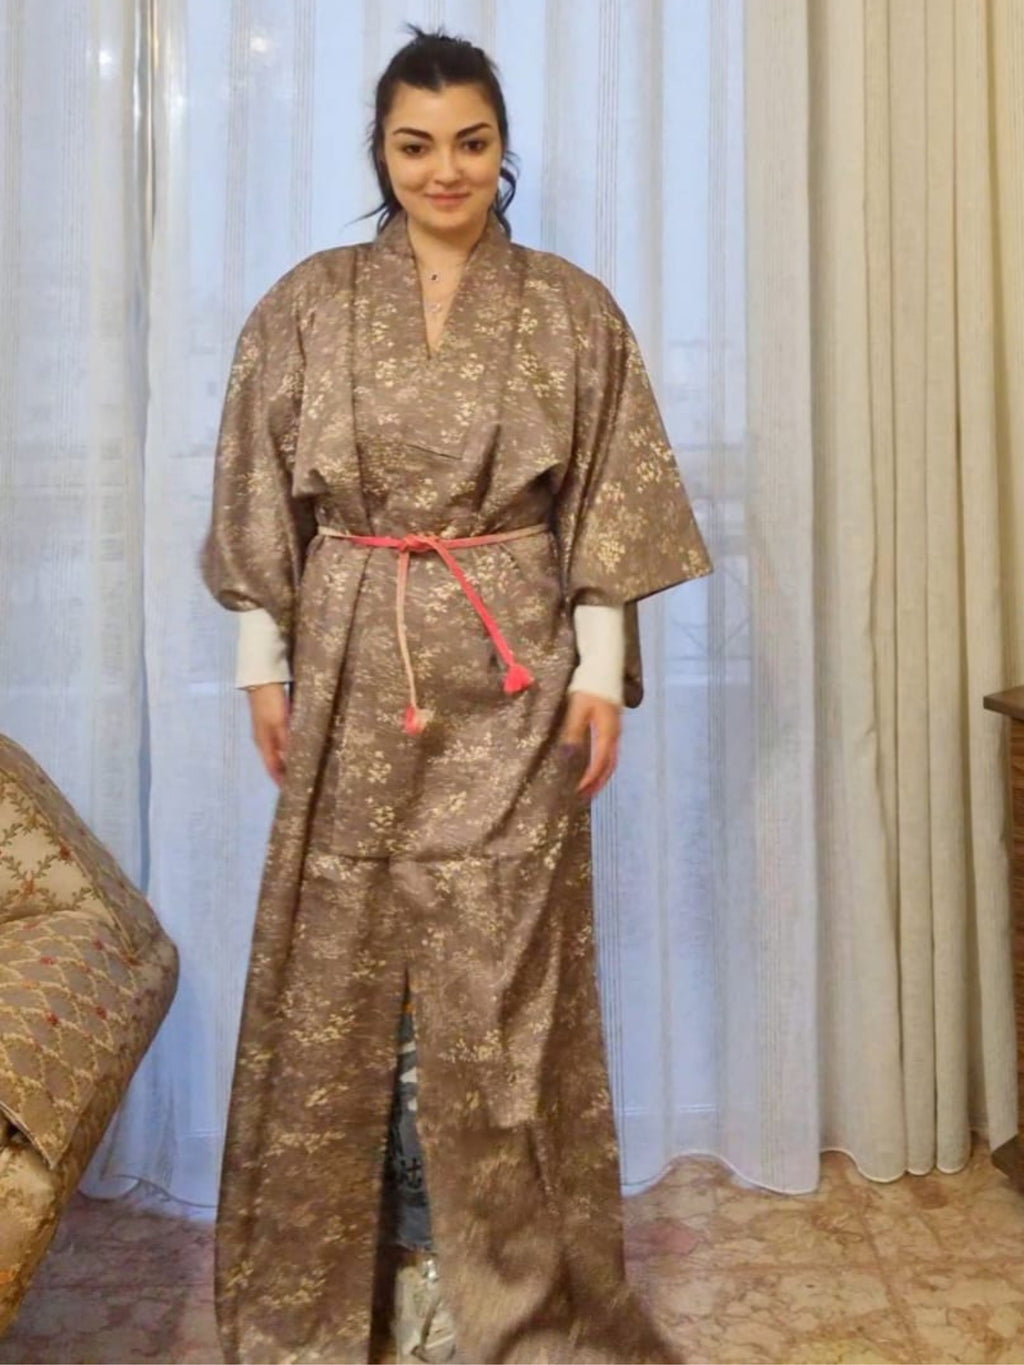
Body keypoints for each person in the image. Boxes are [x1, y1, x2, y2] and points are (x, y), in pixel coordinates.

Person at [202, 25, 711, 1365]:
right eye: (417, 145)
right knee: (353, 974)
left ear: (503, 149)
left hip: (517, 677)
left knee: (504, 988)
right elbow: (262, 495)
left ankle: (514, 1303)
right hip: (354, 680)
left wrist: (598, 677)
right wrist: (266, 664)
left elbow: (609, 499)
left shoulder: (569, 308)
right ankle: (360, 1290)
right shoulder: (308, 302)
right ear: (380, 151)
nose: (446, 170)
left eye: (472, 143)